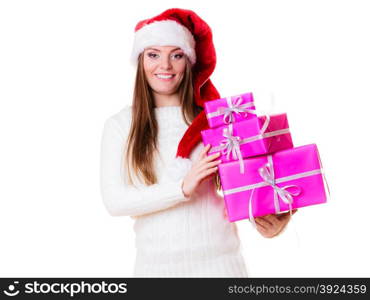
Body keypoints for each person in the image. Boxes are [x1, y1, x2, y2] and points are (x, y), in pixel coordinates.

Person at [100, 8, 296, 277]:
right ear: (140, 60)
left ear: (189, 62)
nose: (165, 66)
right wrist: (182, 187)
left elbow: (249, 186)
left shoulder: (218, 120)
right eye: (153, 54)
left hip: (222, 267)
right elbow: (115, 201)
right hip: (156, 272)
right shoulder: (121, 125)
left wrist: (274, 221)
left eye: (176, 55)